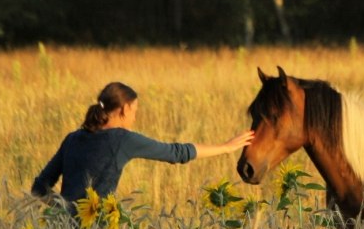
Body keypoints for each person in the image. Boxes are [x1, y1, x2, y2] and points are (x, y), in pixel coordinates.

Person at [31, 81, 253, 209]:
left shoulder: (72, 139)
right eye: (135, 111)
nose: (135, 118)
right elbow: (176, 153)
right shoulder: (122, 140)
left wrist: (65, 210)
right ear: (125, 109)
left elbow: (38, 188)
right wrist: (225, 147)